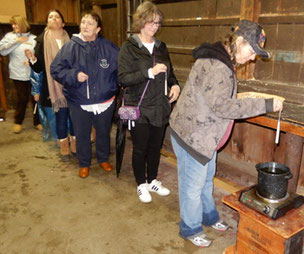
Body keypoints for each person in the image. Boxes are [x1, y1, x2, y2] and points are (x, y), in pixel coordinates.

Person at [169, 19, 284, 247]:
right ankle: (190, 228)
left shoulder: (221, 58)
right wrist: (266, 104)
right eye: (252, 51)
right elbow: (223, 107)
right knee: (192, 186)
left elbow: (217, 98)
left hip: (203, 136)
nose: (252, 58)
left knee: (205, 180)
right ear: (239, 41)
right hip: (193, 137)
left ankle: (209, 216)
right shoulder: (219, 66)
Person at [118, 1, 180, 203]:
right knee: (140, 147)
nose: (155, 27)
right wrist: (149, 73)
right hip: (139, 106)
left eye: (157, 23)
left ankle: (152, 180)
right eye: (151, 22)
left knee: (155, 147)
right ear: (141, 22)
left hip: (160, 106)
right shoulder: (129, 47)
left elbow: (170, 74)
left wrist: (175, 85)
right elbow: (123, 78)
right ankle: (141, 184)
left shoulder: (161, 47)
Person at [51, 11, 119, 178]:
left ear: (98, 29)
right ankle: (84, 163)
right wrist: (74, 76)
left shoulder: (109, 47)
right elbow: (56, 69)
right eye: (83, 22)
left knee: (103, 131)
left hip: (105, 100)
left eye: (90, 23)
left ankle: (103, 159)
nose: (85, 26)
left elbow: (121, 70)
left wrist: (112, 86)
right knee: (82, 133)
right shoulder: (71, 46)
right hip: (78, 99)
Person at [25, 9, 75, 161]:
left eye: (57, 16)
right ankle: (64, 147)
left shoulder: (73, 40)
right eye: (50, 17)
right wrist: (33, 60)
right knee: (60, 117)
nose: (54, 19)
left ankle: (75, 143)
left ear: (63, 22)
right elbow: (39, 68)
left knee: (74, 118)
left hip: (73, 85)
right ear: (47, 22)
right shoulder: (41, 42)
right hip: (54, 88)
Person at [0, 15, 41, 133]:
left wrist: (32, 62)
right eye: (12, 24)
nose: (13, 26)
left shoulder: (33, 38)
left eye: (16, 24)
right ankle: (18, 121)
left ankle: (37, 121)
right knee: (22, 98)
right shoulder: (10, 37)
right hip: (17, 73)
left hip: (32, 73)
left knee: (35, 98)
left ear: (23, 24)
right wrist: (16, 41)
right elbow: (2, 51)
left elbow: (38, 54)